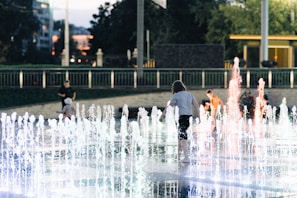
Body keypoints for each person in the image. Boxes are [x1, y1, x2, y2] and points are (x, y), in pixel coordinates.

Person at [159, 80, 200, 163]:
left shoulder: (176, 96)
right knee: (180, 136)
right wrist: (199, 116)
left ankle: (186, 157)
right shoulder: (189, 94)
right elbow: (196, 105)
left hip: (180, 118)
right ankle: (178, 155)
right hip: (188, 117)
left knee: (183, 136)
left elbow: (169, 107)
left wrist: (162, 116)